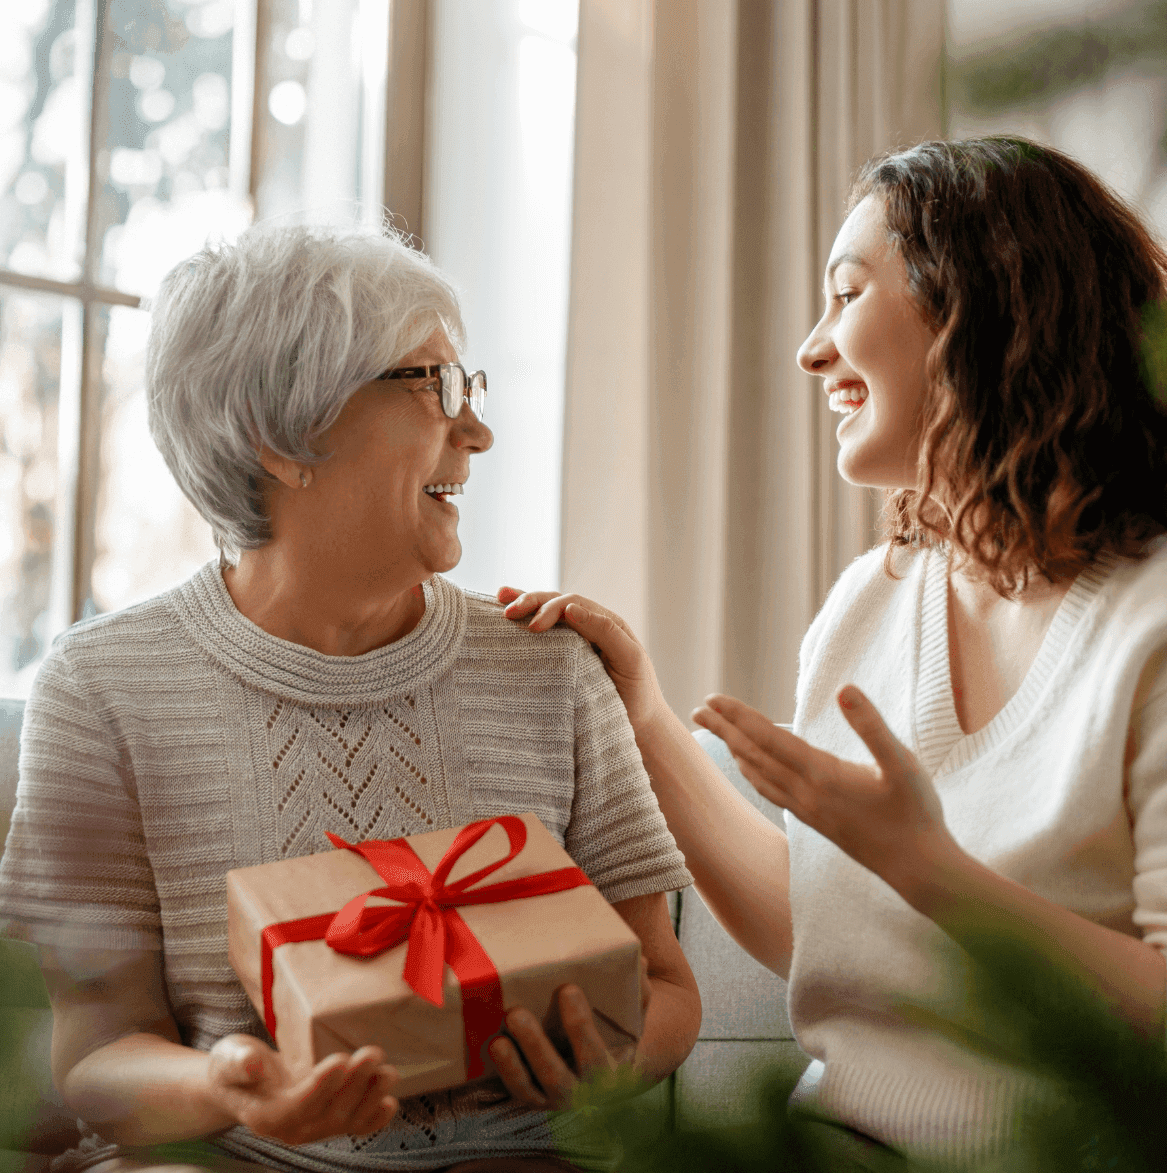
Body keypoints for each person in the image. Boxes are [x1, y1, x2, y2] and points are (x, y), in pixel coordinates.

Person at [500, 138, 1167, 1165]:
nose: (810, 350)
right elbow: (827, 933)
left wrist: (930, 868)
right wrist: (641, 717)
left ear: (981, 313)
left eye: (847, 294)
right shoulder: (869, 607)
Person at [0, 224, 700, 1173]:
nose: (478, 431)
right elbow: (93, 1058)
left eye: (472, 388)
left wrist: (611, 1062)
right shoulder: (102, 688)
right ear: (282, 435)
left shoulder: (553, 668)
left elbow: (665, 985)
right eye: (434, 387)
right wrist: (229, 1086)